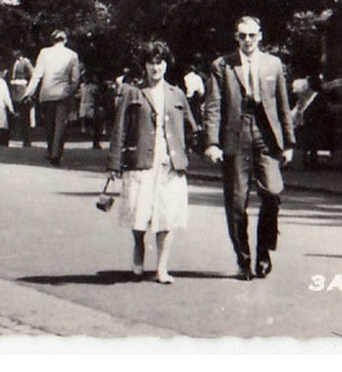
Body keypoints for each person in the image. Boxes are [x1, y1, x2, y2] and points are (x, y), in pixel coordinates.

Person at [203, 15, 295, 281]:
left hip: (266, 135)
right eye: (242, 36)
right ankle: (243, 260)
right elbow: (214, 105)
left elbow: (282, 105)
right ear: (236, 37)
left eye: (252, 35)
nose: (247, 41)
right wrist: (211, 142)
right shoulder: (222, 66)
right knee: (236, 201)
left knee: (273, 192)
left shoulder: (273, 64)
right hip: (236, 133)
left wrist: (288, 143)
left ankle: (264, 251)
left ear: (260, 36)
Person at [106, 41, 195, 284]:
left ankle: (162, 268)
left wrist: (191, 150)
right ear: (144, 66)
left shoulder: (176, 94)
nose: (156, 68)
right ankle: (138, 253)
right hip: (140, 160)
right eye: (151, 63)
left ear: (167, 65)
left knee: (166, 215)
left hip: (169, 164)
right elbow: (119, 129)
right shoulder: (131, 92)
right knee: (139, 212)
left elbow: (191, 127)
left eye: (160, 62)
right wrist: (114, 163)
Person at [24, 29, 81, 166]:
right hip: (62, 93)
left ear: (52, 40)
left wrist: (28, 92)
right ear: (65, 40)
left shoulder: (44, 53)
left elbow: (37, 74)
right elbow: (76, 78)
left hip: (47, 93)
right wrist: (69, 91)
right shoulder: (72, 55)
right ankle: (56, 153)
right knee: (60, 125)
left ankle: (50, 150)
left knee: (49, 124)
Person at [8, 51, 35, 147]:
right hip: (13, 90)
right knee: (11, 115)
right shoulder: (12, 62)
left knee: (24, 117)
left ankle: (26, 140)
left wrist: (28, 91)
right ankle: (6, 138)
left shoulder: (25, 62)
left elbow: (33, 75)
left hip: (22, 90)